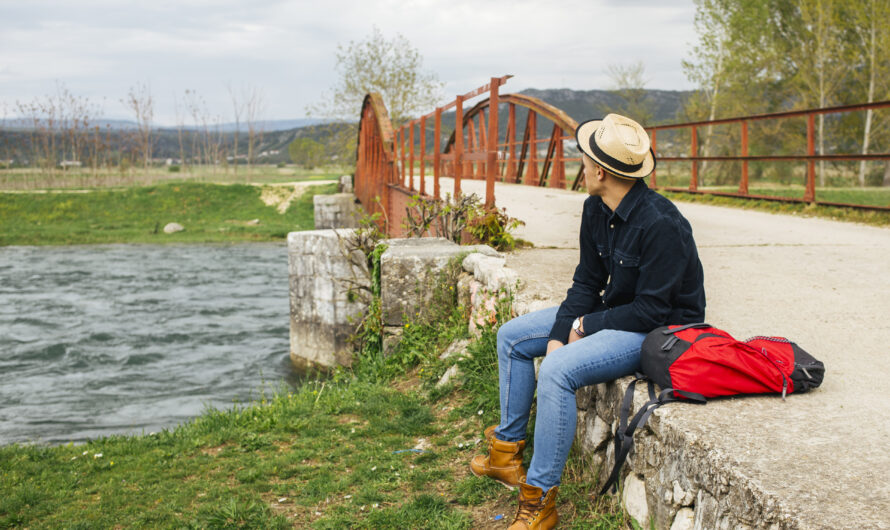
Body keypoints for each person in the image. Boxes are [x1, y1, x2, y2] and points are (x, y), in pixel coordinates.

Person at [469, 113, 706, 529]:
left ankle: (540, 501)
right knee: (511, 338)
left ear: (600, 170)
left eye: (584, 159)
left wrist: (585, 327)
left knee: (557, 371)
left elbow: (652, 311)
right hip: (615, 314)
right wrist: (562, 331)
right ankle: (505, 454)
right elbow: (587, 282)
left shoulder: (662, 224)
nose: (581, 165)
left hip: (658, 331)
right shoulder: (596, 208)